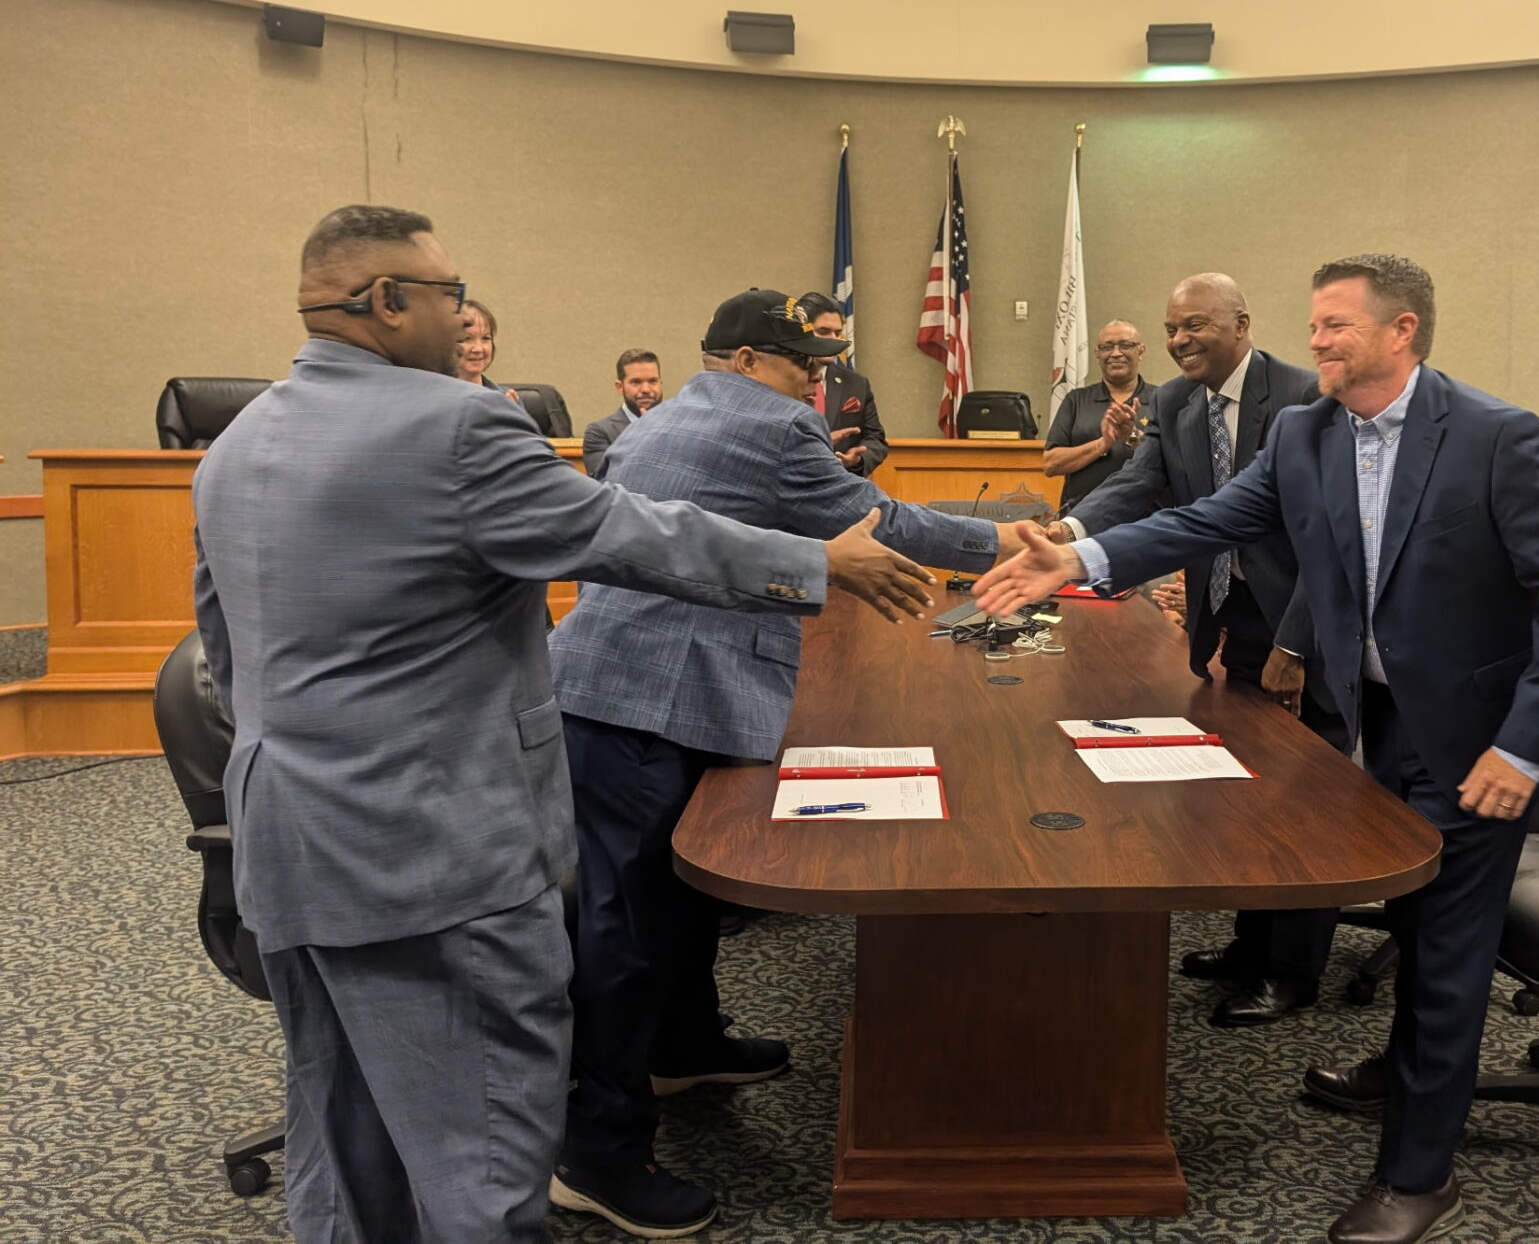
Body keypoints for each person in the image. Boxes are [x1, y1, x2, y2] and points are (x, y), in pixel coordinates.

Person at [191, 207, 935, 1244]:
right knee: (484, 1153)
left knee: (345, 1140)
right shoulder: (454, 425)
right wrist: (817, 562)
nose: (465, 315)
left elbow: (221, 651)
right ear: (387, 302)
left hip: (286, 842)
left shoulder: (236, 443)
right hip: (438, 855)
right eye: (451, 294)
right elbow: (623, 535)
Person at [973, 253, 1539, 1244]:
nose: (1311, 341)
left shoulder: (1495, 437)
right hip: (1381, 725)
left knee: (1445, 950)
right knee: (1410, 923)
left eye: (1333, 326)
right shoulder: (1306, 433)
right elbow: (1208, 517)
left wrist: (1524, 752)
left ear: (1399, 333)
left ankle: (1417, 1176)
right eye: (1311, 326)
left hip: (1482, 742)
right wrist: (1083, 558)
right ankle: (1404, 1073)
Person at [545, 288, 1018, 1238]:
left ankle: (681, 1046)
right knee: (624, 932)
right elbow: (876, 523)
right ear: (753, 360)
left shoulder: (665, 413)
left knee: (668, 895)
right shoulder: (773, 424)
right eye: (806, 362)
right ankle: (593, 1156)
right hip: (653, 695)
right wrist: (1003, 540)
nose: (818, 380)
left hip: (606, 682)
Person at [1051, 272, 1342, 1030]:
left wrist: (1296, 643)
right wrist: (1069, 535)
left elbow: (1333, 540)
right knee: (1249, 786)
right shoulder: (1174, 403)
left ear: (1241, 323)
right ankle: (1250, 944)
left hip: (1300, 627)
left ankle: (1292, 969)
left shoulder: (1307, 396)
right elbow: (1141, 488)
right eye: (1171, 328)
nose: (1179, 340)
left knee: (1302, 799)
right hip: (1228, 618)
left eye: (1196, 326)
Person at [1042, 318, 1159, 514]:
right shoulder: (1076, 400)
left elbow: (1174, 462)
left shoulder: (1162, 400)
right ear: (1097, 354)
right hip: (1081, 520)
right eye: (1107, 347)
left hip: (1145, 520)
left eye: (1125, 345)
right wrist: (1103, 444)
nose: (1115, 353)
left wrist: (1131, 436)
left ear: (1141, 351)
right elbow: (1051, 464)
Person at [795, 291, 887, 475]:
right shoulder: (782, 379)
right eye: (823, 332)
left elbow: (875, 439)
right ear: (801, 331)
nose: (834, 340)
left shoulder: (856, 383)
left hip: (840, 484)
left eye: (837, 333)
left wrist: (858, 459)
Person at [582, 348, 663, 477]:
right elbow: (604, 483)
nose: (646, 389)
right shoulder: (599, 432)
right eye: (636, 382)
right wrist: (643, 435)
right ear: (619, 387)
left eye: (653, 381)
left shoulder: (678, 426)